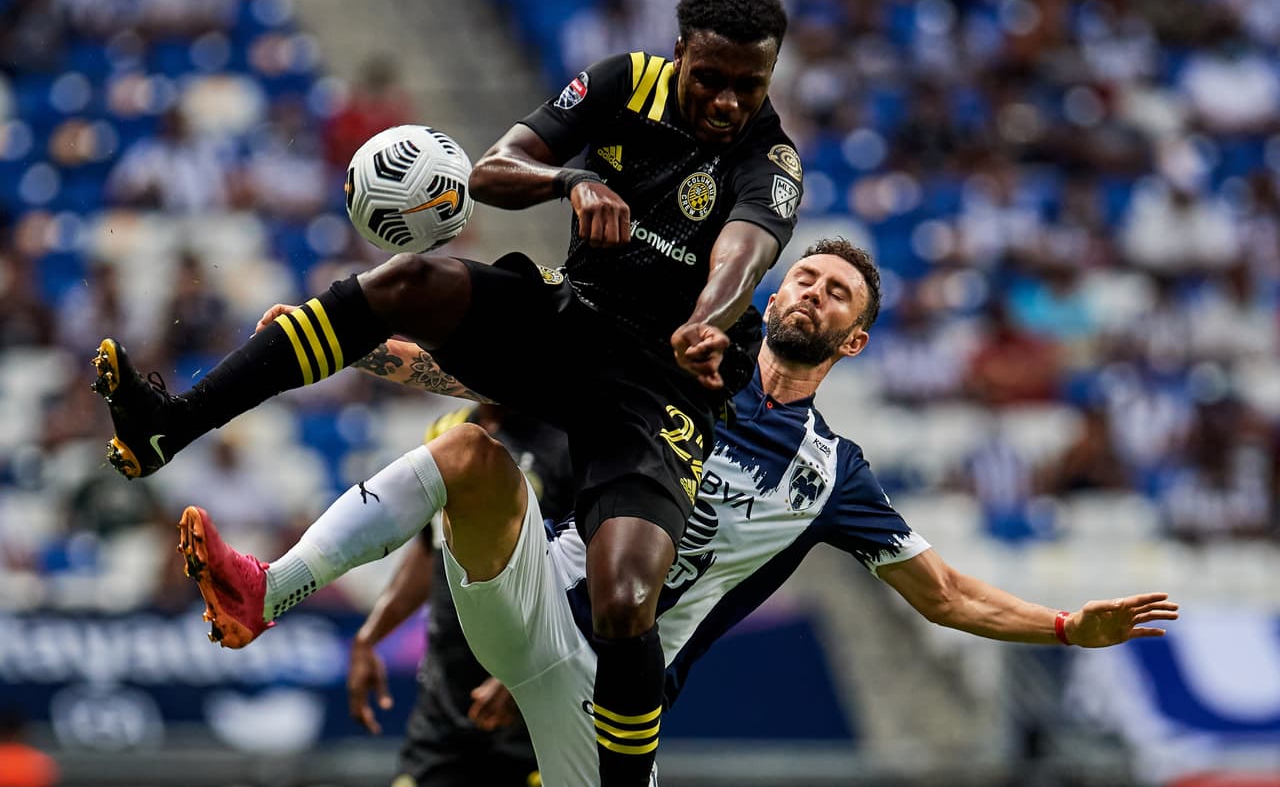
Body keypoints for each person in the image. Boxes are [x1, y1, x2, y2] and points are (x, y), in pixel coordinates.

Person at [95, 0, 800, 786]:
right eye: (710, 78)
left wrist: (708, 320)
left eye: (749, 86)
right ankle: (167, 425)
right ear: (680, 52)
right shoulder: (621, 82)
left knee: (624, 599)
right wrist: (570, 182)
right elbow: (495, 169)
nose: (726, 102)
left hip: (665, 382)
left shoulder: (771, 158)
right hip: (574, 323)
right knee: (402, 287)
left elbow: (742, 251)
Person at [175, 239, 1178, 786]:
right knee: (470, 452)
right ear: (776, 289)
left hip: (611, 701)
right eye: (808, 275)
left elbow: (945, 592)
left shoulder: (834, 475)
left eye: (836, 294)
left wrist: (1058, 627)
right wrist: (361, 345)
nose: (814, 291)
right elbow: (497, 384)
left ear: (854, 340)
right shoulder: (668, 369)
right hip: (534, 601)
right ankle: (267, 587)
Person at [352, 404, 573, 787]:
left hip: (532, 716)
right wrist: (369, 636)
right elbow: (428, 547)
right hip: (443, 711)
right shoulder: (447, 431)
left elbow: (581, 572)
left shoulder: (571, 442)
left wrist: (528, 672)